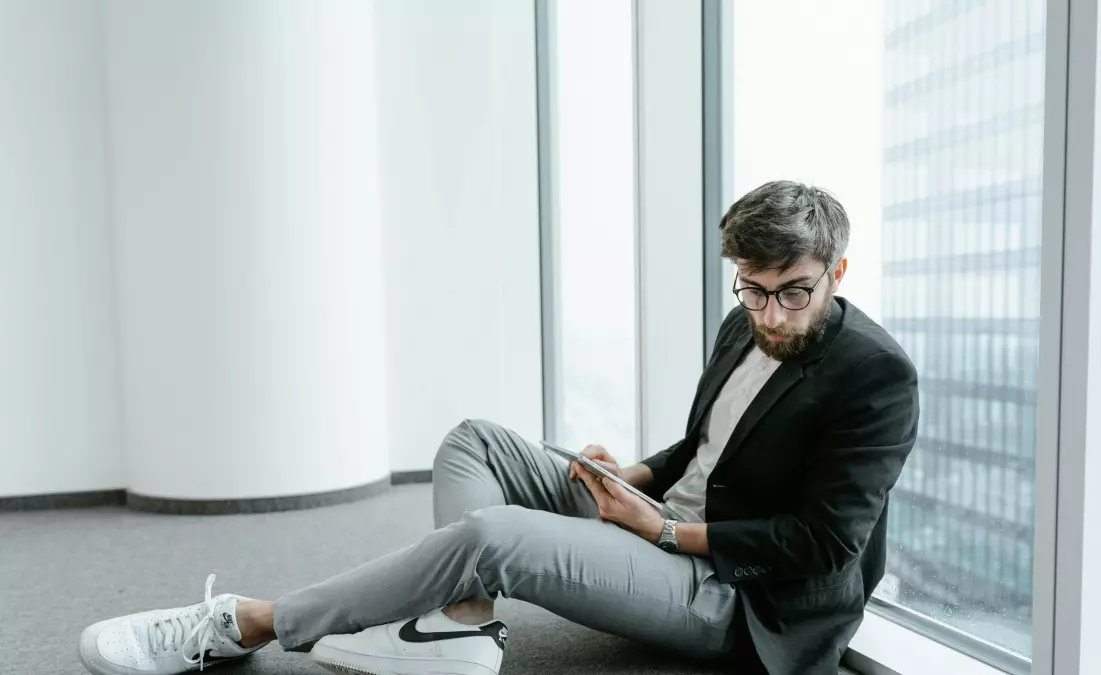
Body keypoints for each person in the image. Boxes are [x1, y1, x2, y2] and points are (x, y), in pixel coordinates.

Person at [78, 180, 919, 675]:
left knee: (492, 532)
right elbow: (708, 449)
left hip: (736, 596)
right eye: (751, 286)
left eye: (793, 291)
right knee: (474, 437)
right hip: (656, 519)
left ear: (837, 270)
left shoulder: (878, 375)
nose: (770, 311)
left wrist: (664, 526)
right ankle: (458, 626)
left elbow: (822, 544)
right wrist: (631, 475)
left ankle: (245, 624)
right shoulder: (744, 322)